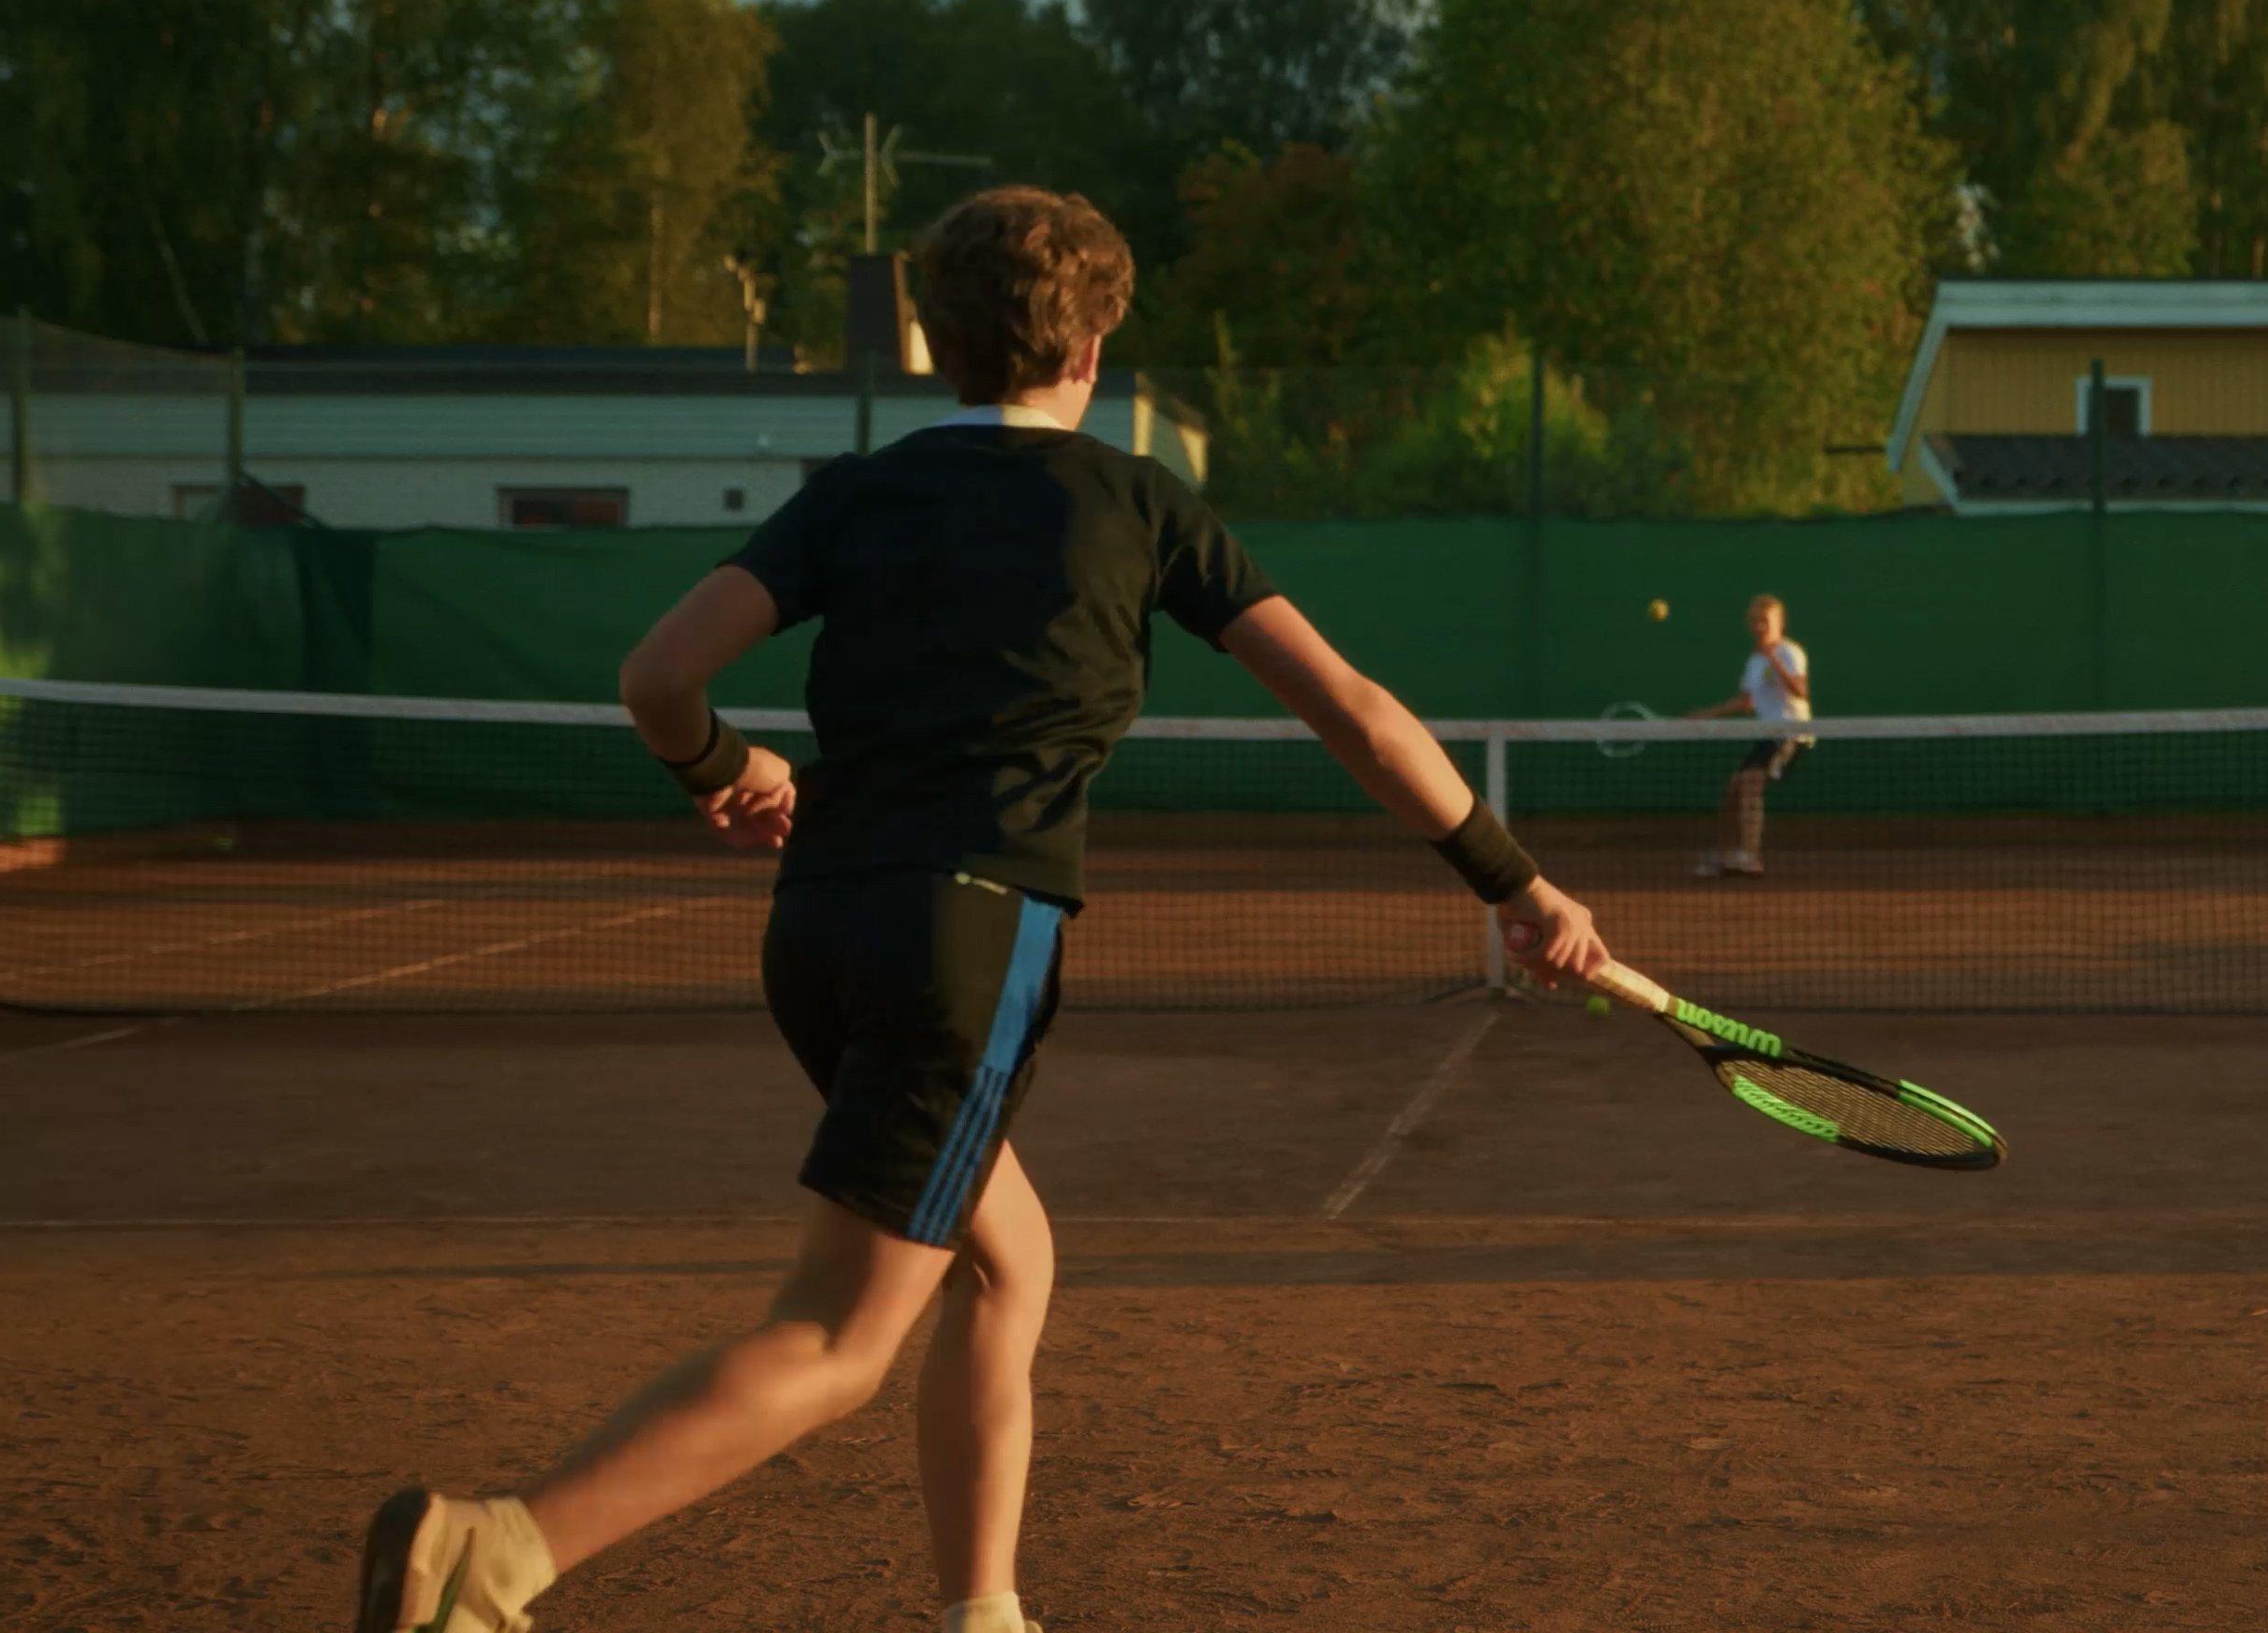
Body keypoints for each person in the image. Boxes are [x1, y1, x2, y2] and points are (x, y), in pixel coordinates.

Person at [352, 189, 1608, 1633]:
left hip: (816, 929)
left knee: (1011, 1257)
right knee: (837, 1338)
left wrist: (724, 767)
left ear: (937, 344)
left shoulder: (854, 493)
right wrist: (1515, 884)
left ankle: (982, 1612)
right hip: (966, 938)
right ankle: (495, 1553)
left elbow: (656, 679)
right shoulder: (1139, 503)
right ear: (1092, 352)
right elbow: (1358, 714)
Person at [1680, 593, 1809, 877]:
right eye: (1756, 622)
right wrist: (1705, 714)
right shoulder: (1753, 662)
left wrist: (1772, 657)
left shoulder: (1790, 652)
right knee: (1733, 790)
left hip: (1791, 732)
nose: (1760, 627)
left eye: (1766, 621)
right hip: (1767, 734)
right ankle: (1727, 854)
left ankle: (1750, 857)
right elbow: (1746, 702)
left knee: (1750, 783)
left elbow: (1800, 691)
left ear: (1779, 623)